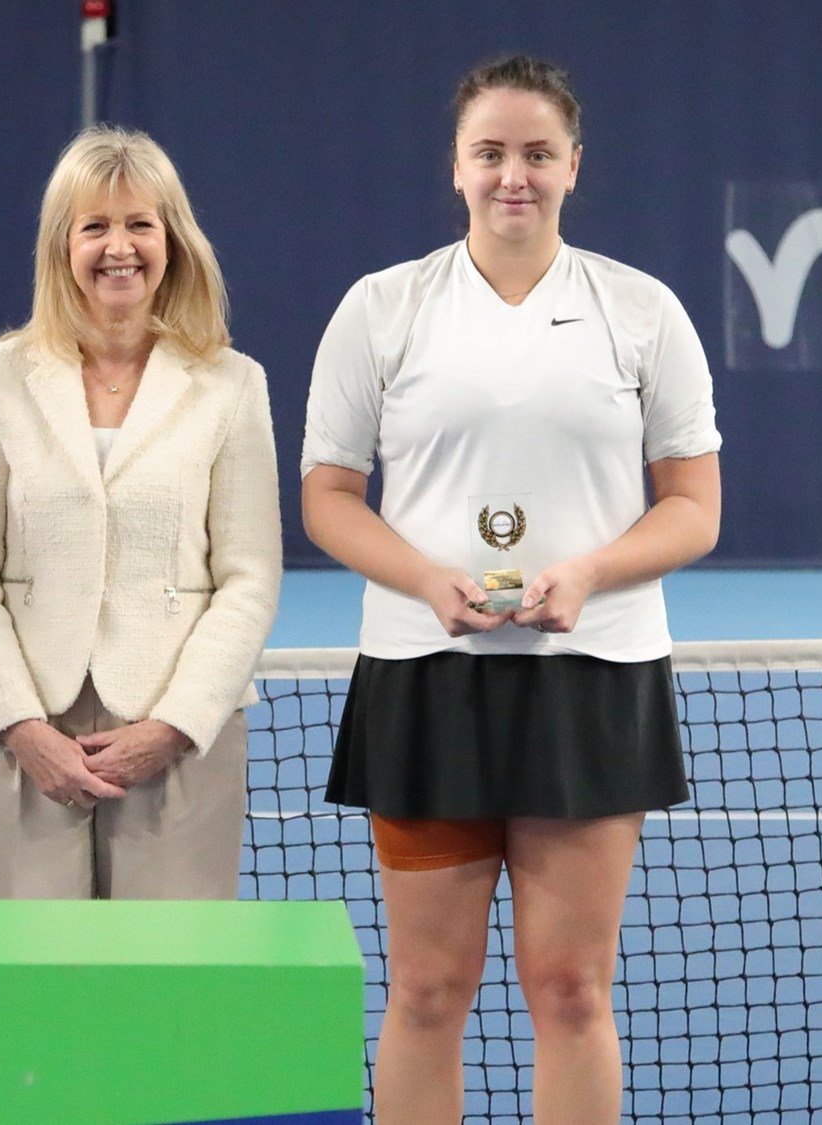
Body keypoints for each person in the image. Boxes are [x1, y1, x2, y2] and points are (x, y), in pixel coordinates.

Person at [300, 56, 722, 1123]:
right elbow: (329, 499)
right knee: (429, 991)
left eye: (536, 153)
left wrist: (586, 572)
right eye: (489, 153)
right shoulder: (380, 308)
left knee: (570, 989)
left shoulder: (642, 311)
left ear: (573, 165)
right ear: (455, 168)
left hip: (592, 678)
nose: (512, 176)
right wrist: (425, 580)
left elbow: (691, 507)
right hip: (421, 678)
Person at [0, 125, 281, 900]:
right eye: (95, 226)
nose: (117, 247)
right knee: (29, 989)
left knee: (168, 994)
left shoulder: (234, 384)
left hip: (180, 736)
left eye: (139, 224)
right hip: (29, 736)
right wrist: (22, 727)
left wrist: (173, 727)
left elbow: (249, 577)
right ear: (63, 245)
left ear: (172, 240)